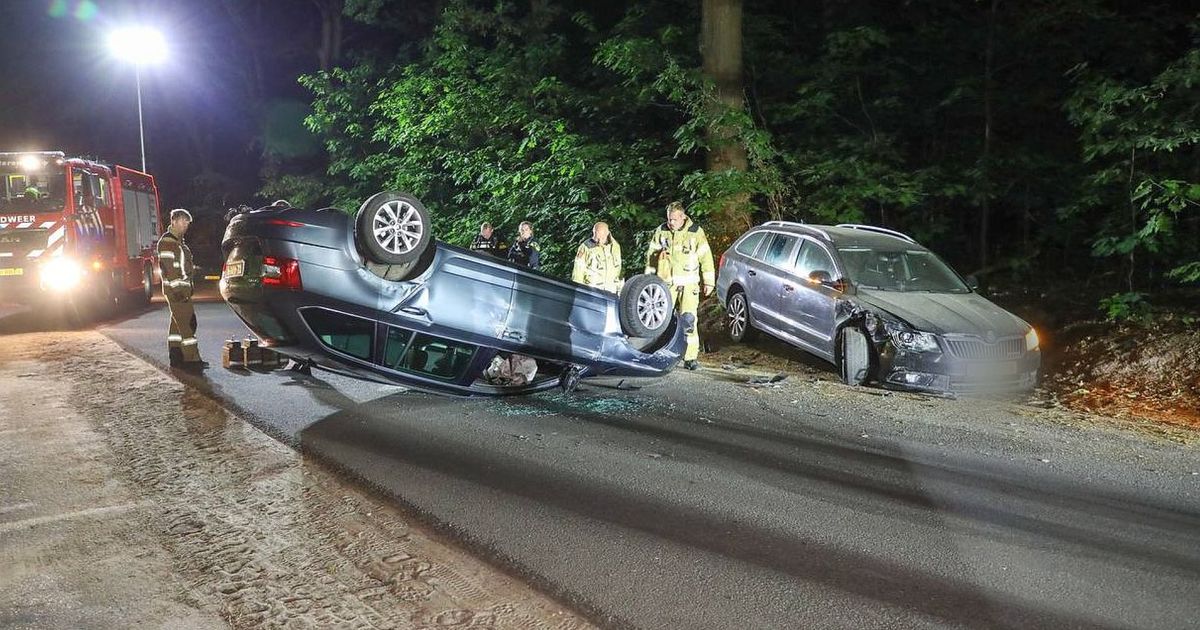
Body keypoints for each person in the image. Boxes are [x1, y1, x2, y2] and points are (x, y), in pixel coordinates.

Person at [644, 201, 714, 370]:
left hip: (689, 284)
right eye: (669, 219)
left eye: (674, 219)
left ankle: (690, 357)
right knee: (662, 319)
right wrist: (648, 280)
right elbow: (651, 256)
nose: (671, 223)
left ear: (683, 217)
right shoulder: (662, 231)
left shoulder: (696, 233)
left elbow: (706, 257)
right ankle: (661, 352)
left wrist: (709, 281)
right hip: (666, 282)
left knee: (688, 320)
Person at [157, 208, 207, 369]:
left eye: (187, 222)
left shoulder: (179, 243)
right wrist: (178, 290)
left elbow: (183, 267)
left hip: (182, 290)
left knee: (177, 324)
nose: (186, 225)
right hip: (176, 291)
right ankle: (192, 360)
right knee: (188, 325)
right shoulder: (167, 243)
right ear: (174, 221)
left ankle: (176, 356)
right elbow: (168, 268)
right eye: (183, 221)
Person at [572, 221, 623, 293]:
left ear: (607, 234)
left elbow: (619, 270)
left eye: (601, 238)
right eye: (596, 237)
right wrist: (578, 291)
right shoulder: (585, 247)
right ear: (593, 233)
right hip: (592, 291)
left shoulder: (615, 247)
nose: (598, 241)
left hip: (611, 291)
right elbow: (578, 272)